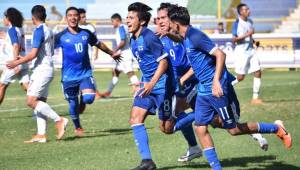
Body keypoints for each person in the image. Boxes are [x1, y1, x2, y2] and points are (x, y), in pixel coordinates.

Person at [168, 5, 292, 170]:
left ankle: (276, 128)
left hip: (217, 89)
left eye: (169, 22)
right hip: (203, 91)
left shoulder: (195, 35)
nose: (167, 25)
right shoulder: (186, 36)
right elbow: (181, 40)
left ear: (176, 24)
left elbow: (221, 54)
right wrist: (166, 34)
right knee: (200, 128)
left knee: (233, 129)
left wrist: (216, 81)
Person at [126, 2, 180, 169]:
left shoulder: (149, 37)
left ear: (142, 21)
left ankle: (197, 116)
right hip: (148, 86)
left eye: (131, 18)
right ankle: (147, 161)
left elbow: (164, 63)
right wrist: (142, 83)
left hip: (164, 86)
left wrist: (152, 83)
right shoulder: (132, 38)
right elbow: (146, 63)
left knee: (167, 129)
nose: (127, 20)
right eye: (127, 17)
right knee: (135, 117)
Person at [54, 7, 121, 137]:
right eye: (70, 15)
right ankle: (78, 127)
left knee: (89, 98)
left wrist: (111, 53)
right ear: (66, 18)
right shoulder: (60, 36)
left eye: (75, 15)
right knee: (73, 104)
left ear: (79, 18)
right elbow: (47, 48)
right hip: (68, 76)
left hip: (85, 74)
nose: (73, 18)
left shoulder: (86, 33)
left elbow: (98, 44)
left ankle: (83, 96)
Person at [7, 5, 68, 143]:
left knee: (31, 101)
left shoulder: (39, 30)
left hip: (42, 70)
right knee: (40, 102)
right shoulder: (49, 30)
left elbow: (33, 54)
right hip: (46, 68)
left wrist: (16, 62)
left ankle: (59, 120)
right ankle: (41, 135)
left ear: (33, 18)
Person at [156, 3, 202, 162]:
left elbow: (196, 64)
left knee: (169, 127)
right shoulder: (159, 38)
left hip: (194, 82)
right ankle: (194, 147)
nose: (160, 21)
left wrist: (182, 79)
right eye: (158, 18)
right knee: (169, 124)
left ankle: (256, 130)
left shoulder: (183, 35)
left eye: (164, 18)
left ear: (172, 19)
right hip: (177, 86)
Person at [99, 13, 139, 98]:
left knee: (129, 72)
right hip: (124, 53)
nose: (112, 23)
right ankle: (108, 92)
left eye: (112, 21)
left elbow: (123, 41)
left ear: (117, 20)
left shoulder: (121, 28)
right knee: (116, 72)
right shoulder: (124, 27)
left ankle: (138, 89)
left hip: (126, 54)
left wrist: (114, 51)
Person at [231, 3, 263, 104]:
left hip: (251, 51)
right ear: (241, 12)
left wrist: (254, 42)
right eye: (246, 9)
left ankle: (255, 98)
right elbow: (234, 39)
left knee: (258, 71)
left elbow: (250, 37)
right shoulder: (237, 23)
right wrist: (247, 34)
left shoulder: (250, 21)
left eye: (248, 9)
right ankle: (224, 87)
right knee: (241, 77)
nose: (249, 11)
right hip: (241, 52)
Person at [0, 8, 29, 105]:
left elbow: (15, 45)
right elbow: (15, 41)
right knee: (27, 87)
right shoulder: (19, 29)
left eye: (5, 17)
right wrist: (6, 37)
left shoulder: (12, 30)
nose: (3, 19)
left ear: (9, 18)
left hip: (15, 62)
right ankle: (41, 104)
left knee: (1, 86)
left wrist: (15, 63)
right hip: (23, 61)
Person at [77, 8, 102, 99]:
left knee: (89, 74)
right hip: (77, 57)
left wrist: (96, 52)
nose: (84, 19)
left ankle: (96, 92)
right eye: (82, 17)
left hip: (88, 56)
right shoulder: (74, 27)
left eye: (85, 17)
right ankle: (82, 92)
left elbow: (96, 41)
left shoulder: (90, 27)